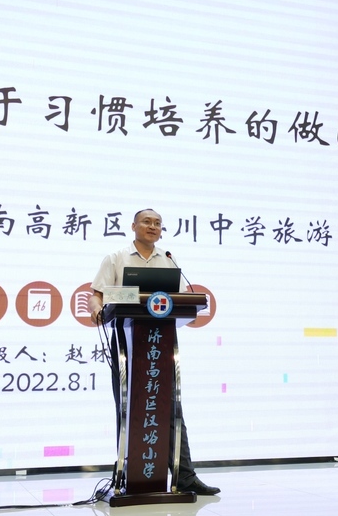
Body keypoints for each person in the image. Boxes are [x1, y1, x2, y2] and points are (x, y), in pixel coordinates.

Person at [88, 208, 220, 496]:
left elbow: (181, 298)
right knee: (128, 407)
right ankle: (126, 476)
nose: (152, 226)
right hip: (127, 344)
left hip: (161, 345)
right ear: (133, 226)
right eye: (146, 222)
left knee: (172, 409)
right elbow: (97, 295)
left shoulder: (168, 260)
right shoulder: (116, 258)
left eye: (157, 223)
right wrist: (96, 310)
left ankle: (185, 476)